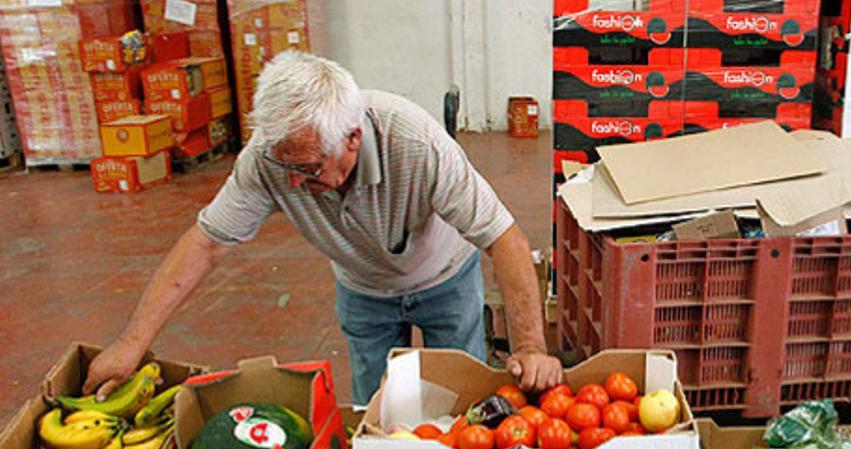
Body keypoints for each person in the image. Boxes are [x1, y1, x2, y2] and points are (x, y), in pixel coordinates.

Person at [83, 51, 562, 405]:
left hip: (444, 278)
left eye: (308, 168)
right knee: (376, 409)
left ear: (352, 138)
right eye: (284, 165)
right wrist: (131, 344)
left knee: (462, 402)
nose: (292, 182)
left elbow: (505, 239)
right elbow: (206, 244)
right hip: (363, 289)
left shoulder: (417, 144)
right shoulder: (273, 160)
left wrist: (530, 348)